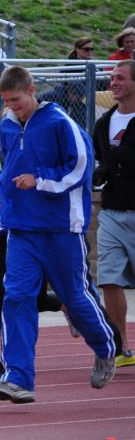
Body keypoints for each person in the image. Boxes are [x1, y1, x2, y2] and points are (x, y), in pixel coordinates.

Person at [0, 65, 119, 404]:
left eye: (16, 100)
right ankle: (17, 377)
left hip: (61, 227)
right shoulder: (7, 124)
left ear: (32, 91)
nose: (11, 107)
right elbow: (11, 162)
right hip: (21, 227)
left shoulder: (61, 123)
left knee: (73, 297)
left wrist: (39, 180)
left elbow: (81, 167)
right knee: (15, 296)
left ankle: (105, 346)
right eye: (6, 101)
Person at [0, 149, 74, 375]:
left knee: (33, 298)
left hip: (31, 235)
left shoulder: (36, 156)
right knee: (0, 293)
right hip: (3, 237)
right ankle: (6, 353)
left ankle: (65, 305)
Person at [92, 59, 135, 368]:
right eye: (111, 77)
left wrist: (120, 156)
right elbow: (102, 161)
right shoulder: (103, 123)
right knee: (108, 278)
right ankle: (121, 345)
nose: (113, 82)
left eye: (120, 77)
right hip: (111, 213)